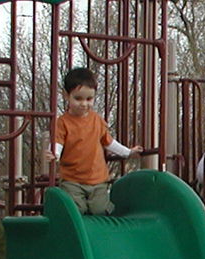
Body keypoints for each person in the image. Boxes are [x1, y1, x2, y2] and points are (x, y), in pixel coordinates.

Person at [48, 67, 142, 215]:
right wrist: (55, 153)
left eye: (89, 99)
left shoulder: (97, 120)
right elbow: (58, 142)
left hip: (97, 179)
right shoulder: (63, 122)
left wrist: (128, 152)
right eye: (78, 98)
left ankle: (110, 211)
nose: (84, 104)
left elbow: (109, 142)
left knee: (99, 209)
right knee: (77, 209)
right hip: (72, 180)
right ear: (66, 95)